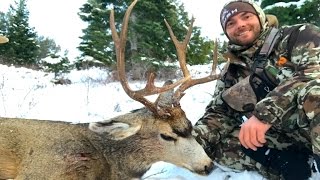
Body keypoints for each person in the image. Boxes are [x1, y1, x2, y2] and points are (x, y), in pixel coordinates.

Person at [192, 0, 320, 179]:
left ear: (260, 17)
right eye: (231, 23)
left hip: (312, 123)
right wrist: (190, 142)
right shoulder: (230, 71)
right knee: (218, 146)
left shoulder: (299, 35)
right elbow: (220, 112)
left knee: (316, 95)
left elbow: (313, 73)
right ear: (226, 32)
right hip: (285, 135)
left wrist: (264, 114)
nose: (240, 24)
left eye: (246, 16)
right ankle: (290, 163)